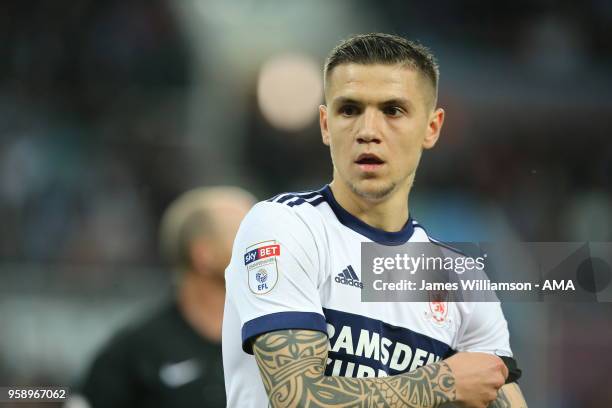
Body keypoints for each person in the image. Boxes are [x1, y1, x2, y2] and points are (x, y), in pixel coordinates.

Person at [223, 33, 528, 408]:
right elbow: (297, 398)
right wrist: (443, 381)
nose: (368, 131)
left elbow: (497, 390)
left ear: (432, 128)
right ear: (324, 124)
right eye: (349, 110)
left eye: (393, 110)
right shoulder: (283, 226)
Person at [73, 186, 255, 408]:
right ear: (203, 255)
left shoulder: (274, 337)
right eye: (247, 235)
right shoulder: (134, 352)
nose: (264, 246)